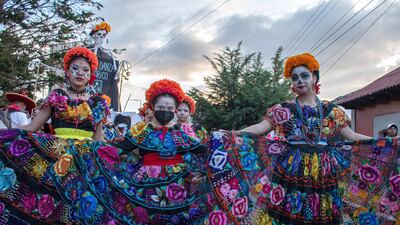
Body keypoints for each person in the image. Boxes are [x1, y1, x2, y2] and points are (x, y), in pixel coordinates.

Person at [205, 53, 398, 225]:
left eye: (304, 75)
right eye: (294, 77)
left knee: (322, 211)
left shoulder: (331, 110)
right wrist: (232, 134)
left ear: (314, 78)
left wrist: (389, 143)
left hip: (323, 170)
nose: (299, 81)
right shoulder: (284, 110)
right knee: (290, 211)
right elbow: (260, 128)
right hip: (292, 168)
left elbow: (352, 136)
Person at [48, 79, 211, 224]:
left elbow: (202, 150)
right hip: (146, 183)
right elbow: (118, 149)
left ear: (175, 110)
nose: (165, 110)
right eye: (161, 107)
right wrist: (86, 149)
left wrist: (229, 144)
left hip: (179, 185)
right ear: (153, 107)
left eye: (170, 107)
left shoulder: (182, 133)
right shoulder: (143, 131)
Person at [0, 46, 110, 224]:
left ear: (90, 76)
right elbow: (32, 127)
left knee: (81, 202)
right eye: (75, 68)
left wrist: (118, 152)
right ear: (67, 72)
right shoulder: (57, 96)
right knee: (55, 203)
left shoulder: (97, 103)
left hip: (86, 161)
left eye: (85, 70)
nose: (80, 73)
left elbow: (99, 138)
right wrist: (6, 134)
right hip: (56, 157)